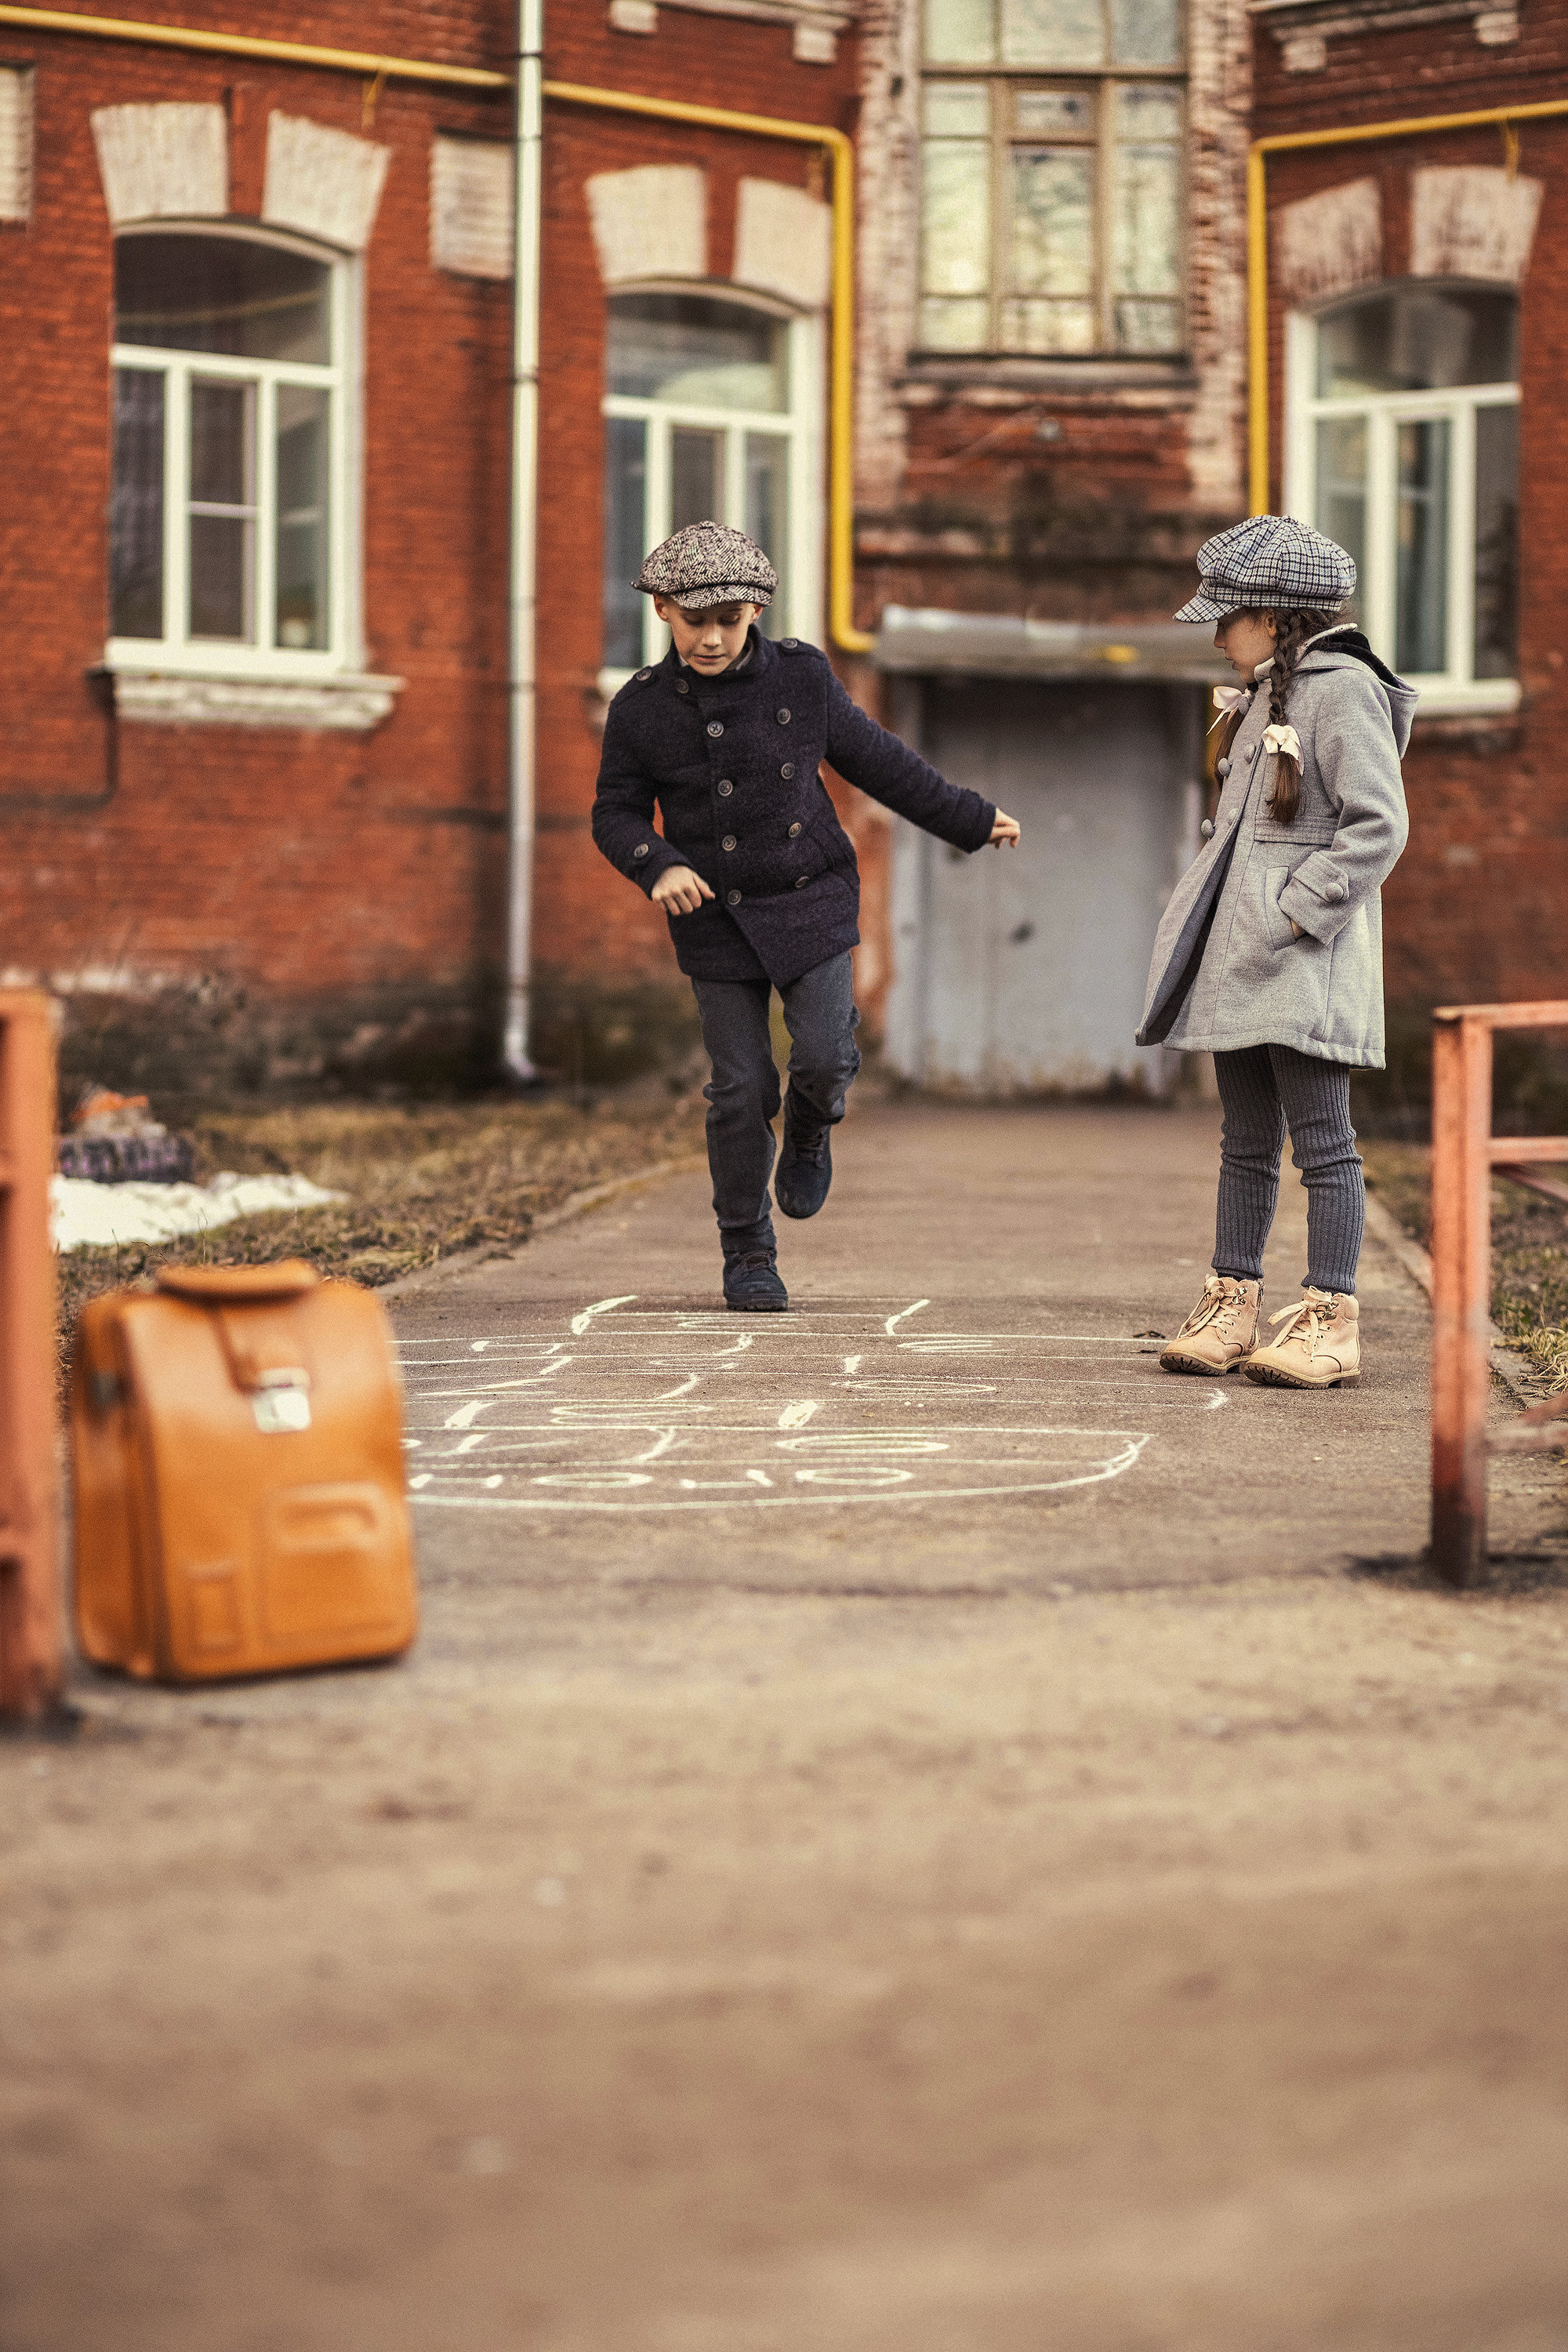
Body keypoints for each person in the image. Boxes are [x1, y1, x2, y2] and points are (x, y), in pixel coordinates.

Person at [593, 522, 1021, 1312]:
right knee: (738, 1087)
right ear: (661, 611)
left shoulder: (800, 678)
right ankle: (747, 1248)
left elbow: (876, 760)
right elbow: (613, 813)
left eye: (729, 619)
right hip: (714, 914)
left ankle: (813, 1127)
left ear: (754, 607)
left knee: (821, 1057)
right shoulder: (641, 709)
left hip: (810, 894)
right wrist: (658, 865)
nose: (713, 637)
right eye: (696, 622)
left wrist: (967, 816)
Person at [1137, 514, 1415, 1389]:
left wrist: (1295, 912)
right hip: (1241, 961)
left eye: (1226, 616)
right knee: (1244, 1139)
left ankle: (1330, 1320)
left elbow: (1379, 826)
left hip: (1299, 959)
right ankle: (1231, 1303)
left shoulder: (1341, 690)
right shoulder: (1265, 691)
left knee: (1323, 1145)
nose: (1215, 634)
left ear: (1274, 615)